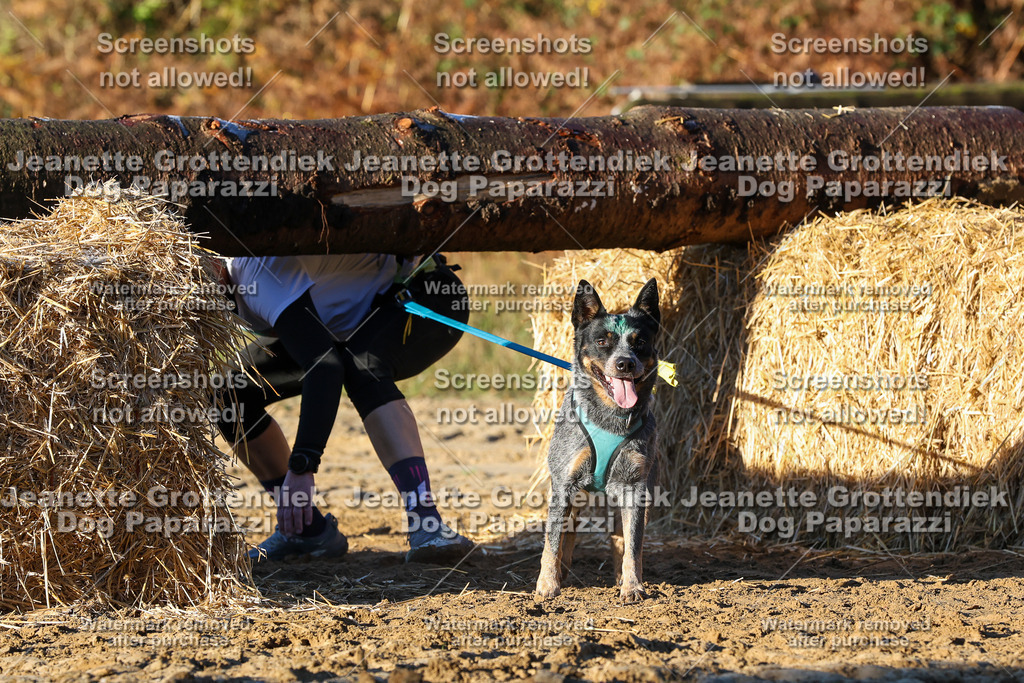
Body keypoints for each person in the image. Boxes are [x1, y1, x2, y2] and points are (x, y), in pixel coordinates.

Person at [214, 252, 474, 563]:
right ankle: (305, 527)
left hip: (424, 294)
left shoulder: (255, 276)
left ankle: (427, 524)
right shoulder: (222, 294)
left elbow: (324, 366)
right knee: (228, 392)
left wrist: (303, 465)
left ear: (216, 267)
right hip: (343, 325)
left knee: (363, 368)